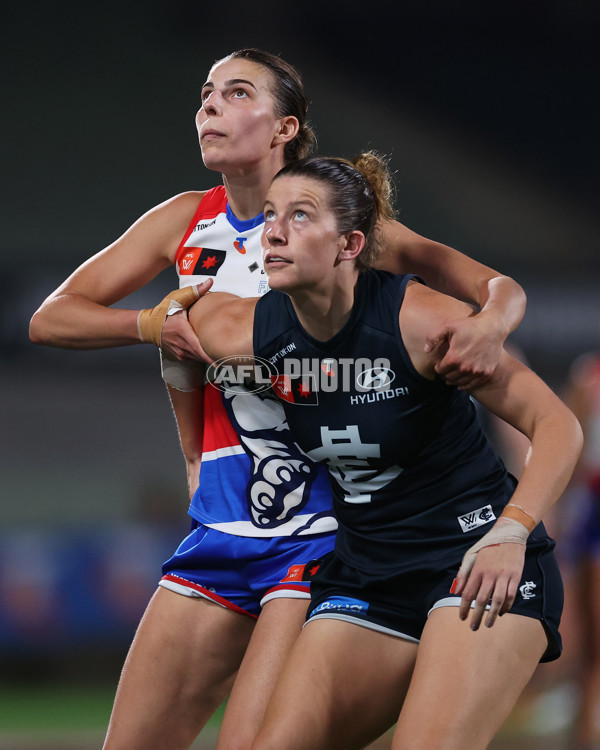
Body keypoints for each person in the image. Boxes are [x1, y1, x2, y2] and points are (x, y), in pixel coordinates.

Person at [29, 49, 528, 750]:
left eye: (235, 93)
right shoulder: (183, 221)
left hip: (323, 531)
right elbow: (51, 318)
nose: (208, 106)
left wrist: (491, 328)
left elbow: (496, 288)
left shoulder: (334, 231)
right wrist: (149, 327)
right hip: (222, 524)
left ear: (285, 127)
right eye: (205, 93)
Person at [181, 152, 583, 750]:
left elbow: (558, 425)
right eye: (269, 215)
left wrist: (511, 533)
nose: (274, 230)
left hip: (474, 562)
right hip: (369, 573)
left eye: (300, 215)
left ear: (350, 245)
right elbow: (171, 339)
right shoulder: (241, 330)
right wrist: (193, 457)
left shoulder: (420, 321)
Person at [561, 352, 600, 750]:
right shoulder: (589, 374)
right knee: (592, 639)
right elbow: (572, 450)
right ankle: (584, 731)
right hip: (593, 513)